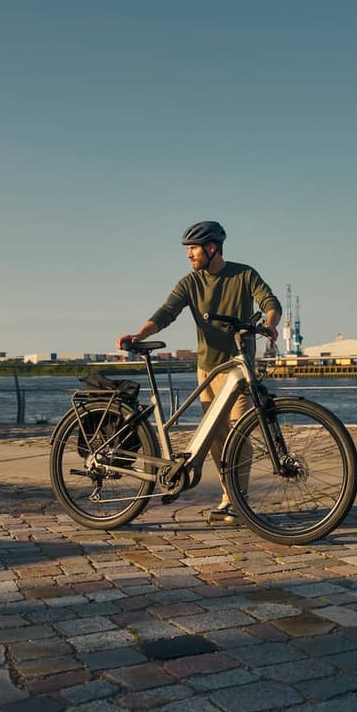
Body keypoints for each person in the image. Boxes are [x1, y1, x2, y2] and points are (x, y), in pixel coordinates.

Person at [118, 221, 281, 523]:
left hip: (238, 368)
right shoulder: (189, 283)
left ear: (211, 248)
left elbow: (269, 301)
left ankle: (236, 502)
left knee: (238, 434)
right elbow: (167, 312)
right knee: (217, 439)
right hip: (208, 371)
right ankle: (228, 498)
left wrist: (270, 324)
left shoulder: (244, 274)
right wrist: (140, 335)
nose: (189, 254)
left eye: (193, 248)